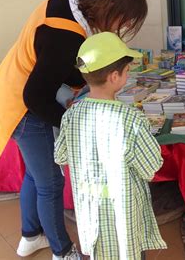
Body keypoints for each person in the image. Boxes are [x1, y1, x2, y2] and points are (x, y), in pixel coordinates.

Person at [0, 0, 148, 259]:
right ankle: (62, 251)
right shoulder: (65, 34)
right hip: (24, 107)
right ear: (112, 8)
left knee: (34, 176)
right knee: (50, 183)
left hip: (13, 90)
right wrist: (72, 124)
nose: (122, 26)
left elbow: (54, 64)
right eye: (125, 19)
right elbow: (35, 96)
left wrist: (77, 86)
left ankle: (31, 236)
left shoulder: (66, 2)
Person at [54, 32, 167, 259]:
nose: (128, 74)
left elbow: (61, 155)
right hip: (122, 214)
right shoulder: (130, 119)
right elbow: (151, 166)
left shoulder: (71, 114)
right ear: (115, 77)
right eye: (127, 71)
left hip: (90, 211)